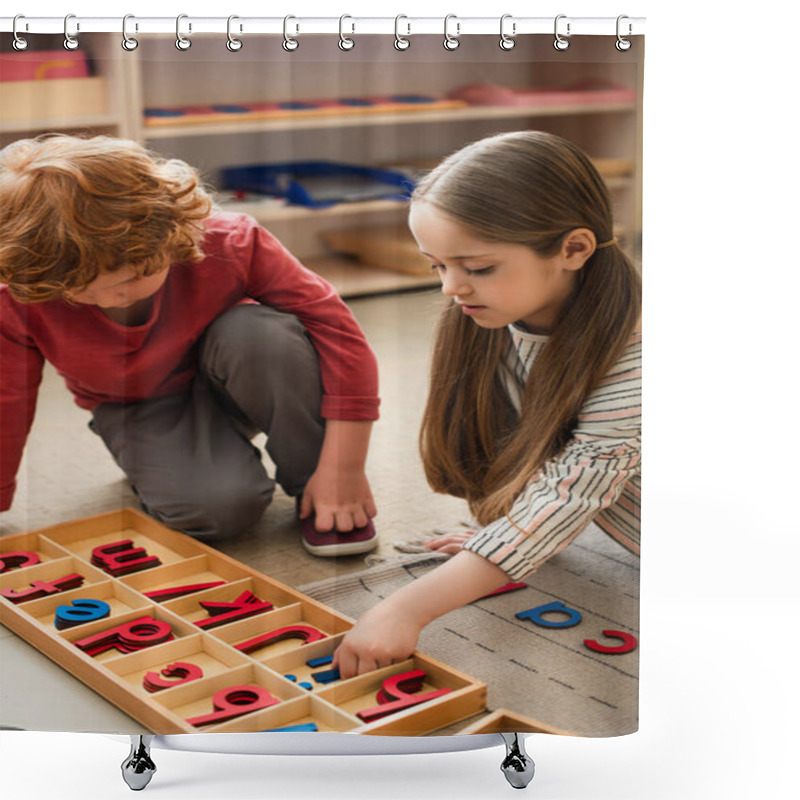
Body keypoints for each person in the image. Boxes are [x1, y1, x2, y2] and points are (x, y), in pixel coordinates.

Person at [333, 130, 641, 677]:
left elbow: (566, 498)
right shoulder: (503, 313)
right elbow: (543, 445)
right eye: (437, 266)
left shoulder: (641, 372)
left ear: (574, 249)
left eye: (476, 268)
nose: (452, 287)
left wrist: (404, 609)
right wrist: (505, 542)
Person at [0, 134, 379, 557]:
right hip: (137, 405)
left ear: (169, 233)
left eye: (130, 279)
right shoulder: (20, 292)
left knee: (260, 333)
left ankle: (315, 486)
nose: (111, 298)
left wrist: (344, 468)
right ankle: (167, 456)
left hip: (237, 372)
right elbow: (6, 401)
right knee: (220, 512)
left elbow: (338, 332)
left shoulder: (231, 240)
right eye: (82, 293)